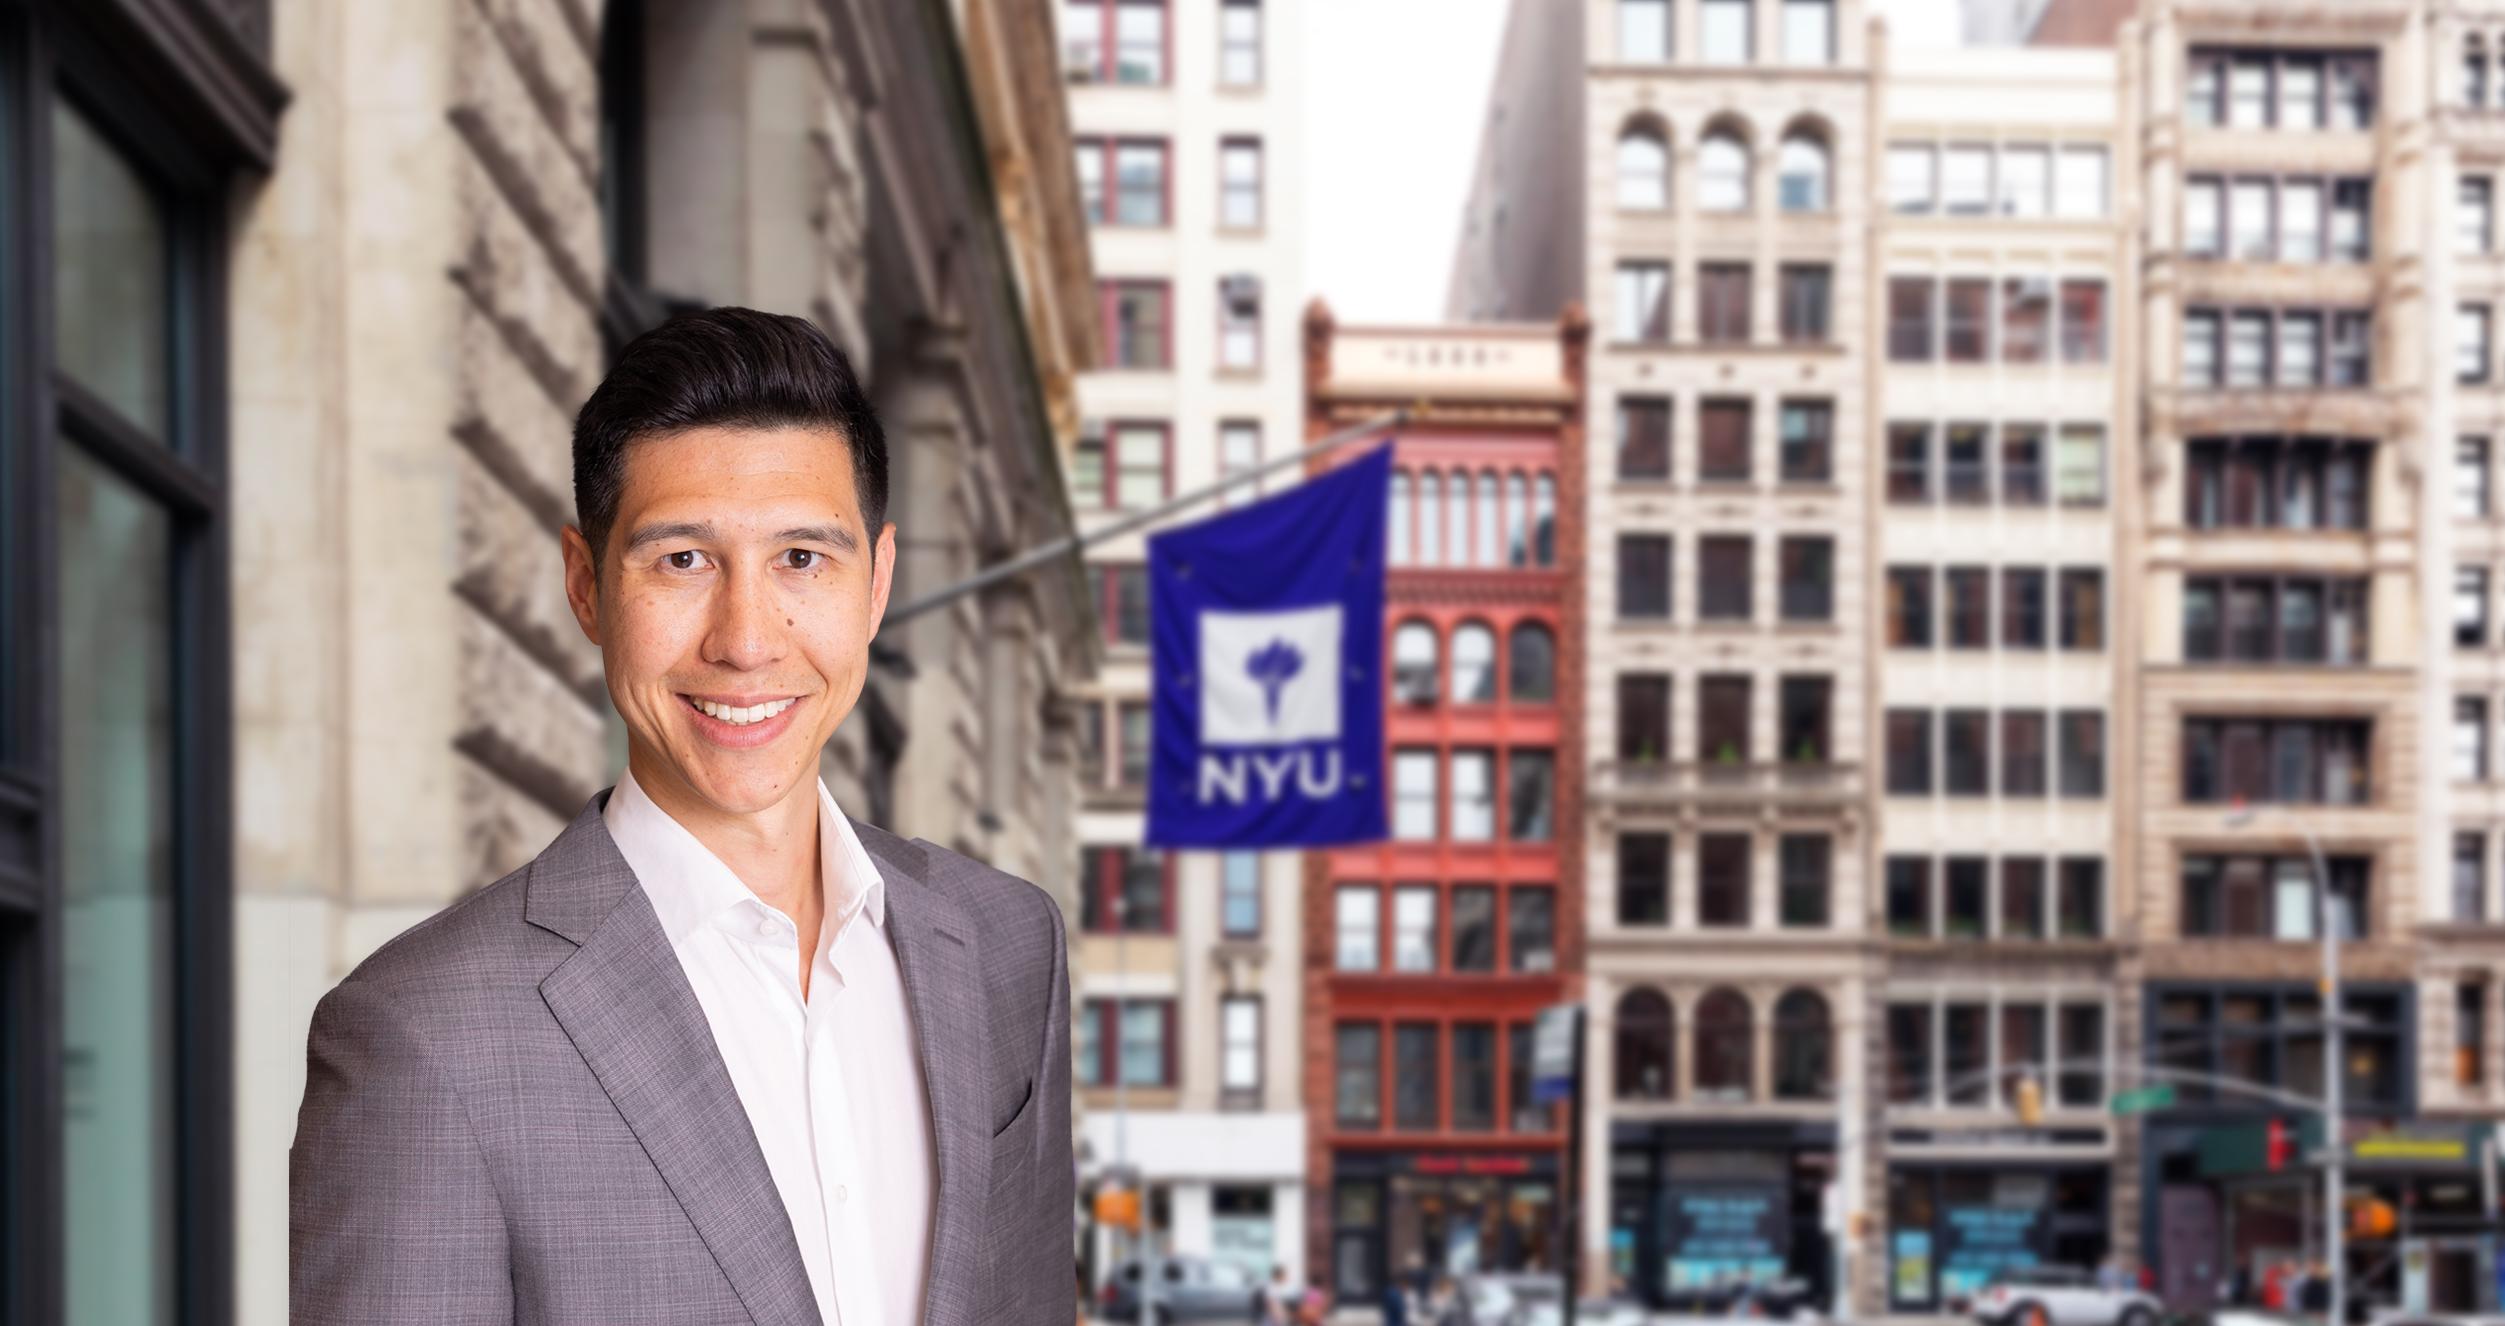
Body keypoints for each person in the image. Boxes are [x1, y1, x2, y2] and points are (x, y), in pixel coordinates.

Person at [289, 307, 1075, 1325]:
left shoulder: (1009, 945)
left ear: (876, 585)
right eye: (683, 562)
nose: (747, 641)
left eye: (802, 559)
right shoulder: (423, 1035)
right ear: (585, 585)